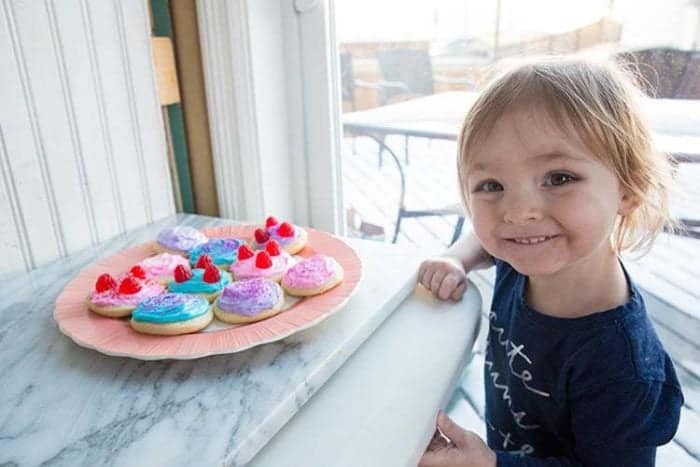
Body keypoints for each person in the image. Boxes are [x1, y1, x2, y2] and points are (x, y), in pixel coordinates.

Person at [417, 57, 684, 466]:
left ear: (629, 188)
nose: (518, 211)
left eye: (559, 178)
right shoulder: (527, 252)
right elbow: (489, 242)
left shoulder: (621, 366)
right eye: (492, 185)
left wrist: (491, 465)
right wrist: (456, 258)